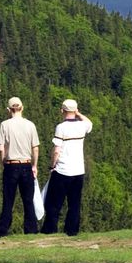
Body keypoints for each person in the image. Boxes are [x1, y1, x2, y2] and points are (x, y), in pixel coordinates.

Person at [44, 98, 92, 236]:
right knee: (74, 204)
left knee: (53, 204)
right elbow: (90, 123)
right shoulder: (82, 126)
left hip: (62, 170)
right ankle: (72, 231)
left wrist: (52, 165)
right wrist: (78, 113)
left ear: (62, 111)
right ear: (75, 110)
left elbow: (57, 150)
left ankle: (50, 230)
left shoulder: (61, 127)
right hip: (78, 171)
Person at [0, 96, 39, 236]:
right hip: (26, 164)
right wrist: (35, 165)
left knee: (8, 200)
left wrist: (3, 162)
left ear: (9, 110)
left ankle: (3, 230)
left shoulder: (5, 125)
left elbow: (1, 148)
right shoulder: (30, 125)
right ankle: (31, 230)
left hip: (11, 165)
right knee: (28, 200)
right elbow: (35, 148)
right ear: (22, 108)